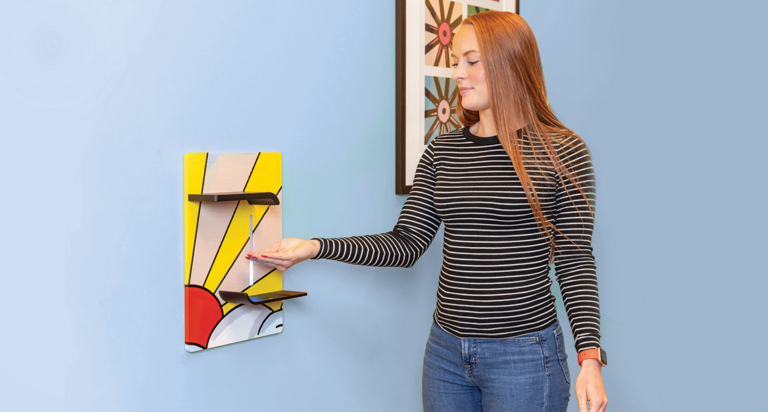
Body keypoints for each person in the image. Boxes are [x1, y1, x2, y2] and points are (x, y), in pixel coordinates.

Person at [247, 10, 608, 412]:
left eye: (472, 61)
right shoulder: (442, 150)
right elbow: (406, 244)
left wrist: (589, 359)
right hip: (447, 354)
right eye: (455, 61)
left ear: (511, 63)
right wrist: (314, 247)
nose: (457, 73)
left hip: (523, 356)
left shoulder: (563, 152)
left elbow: (576, 261)